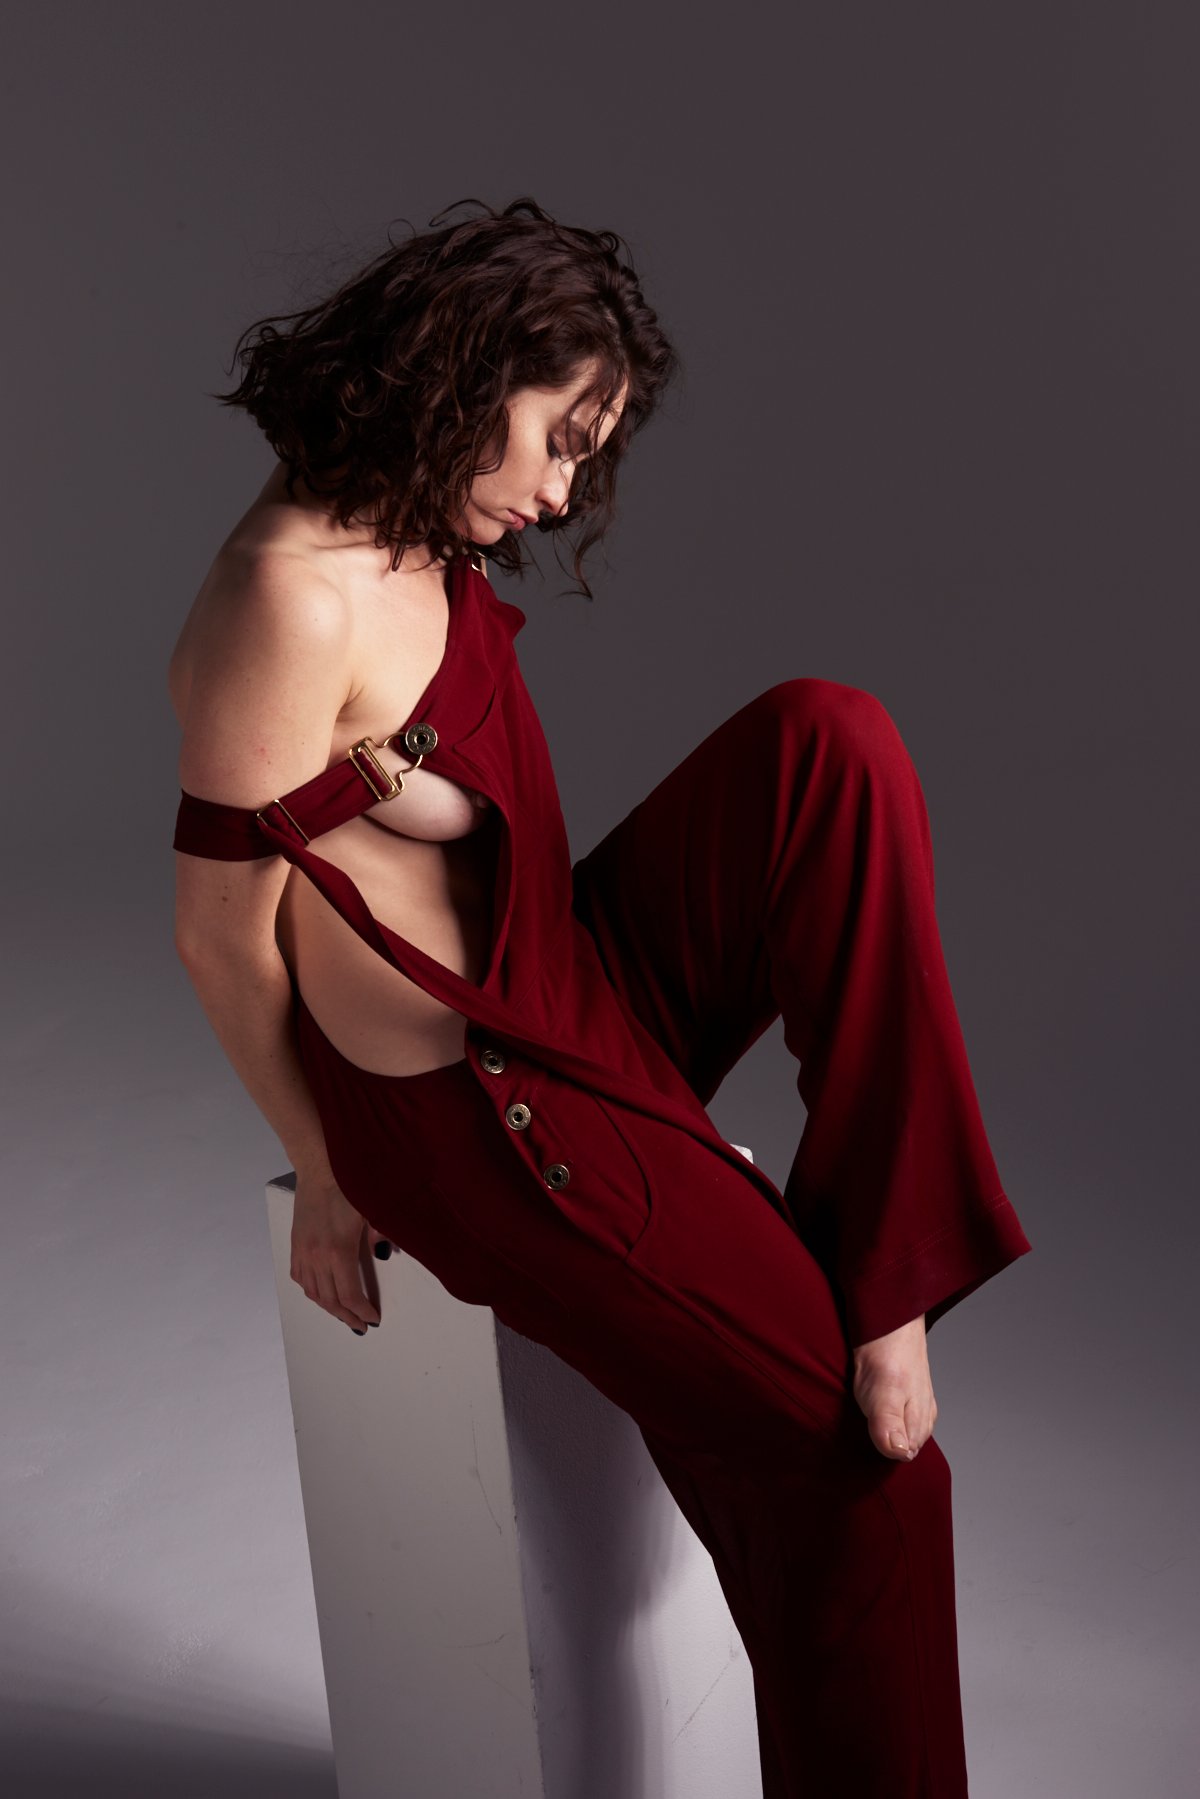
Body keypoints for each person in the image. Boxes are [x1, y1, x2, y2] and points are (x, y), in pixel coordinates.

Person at [169, 195, 1032, 1797]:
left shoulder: (422, 522)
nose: (564, 493)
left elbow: (435, 793)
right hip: (481, 1109)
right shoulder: (285, 597)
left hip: (566, 981)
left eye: (590, 453)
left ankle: (885, 1264)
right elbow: (221, 936)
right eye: (559, 441)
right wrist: (327, 1172)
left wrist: (405, 790)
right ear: (461, 376)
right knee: (870, 1482)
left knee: (829, 740)